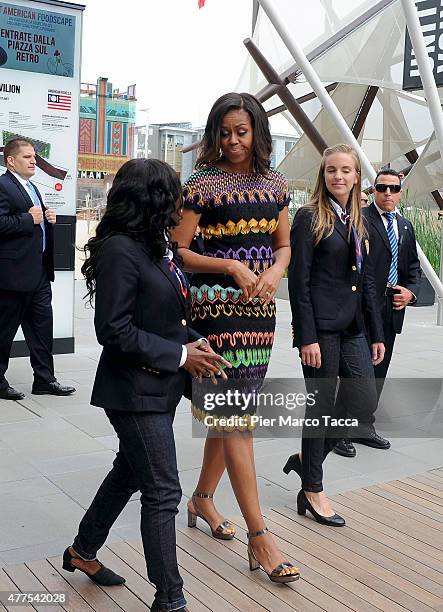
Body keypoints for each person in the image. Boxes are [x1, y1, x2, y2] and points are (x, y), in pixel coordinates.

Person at [63, 158, 229, 612]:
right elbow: (113, 331)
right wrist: (179, 355)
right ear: (151, 197)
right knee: (164, 490)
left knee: (130, 473)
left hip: (159, 388)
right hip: (133, 392)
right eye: (174, 192)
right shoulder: (120, 250)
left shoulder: (155, 246)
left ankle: (82, 551)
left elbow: (166, 316)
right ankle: (170, 598)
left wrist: (196, 342)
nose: (182, 200)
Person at [172, 92, 299, 583]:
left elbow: (284, 245)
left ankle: (203, 499)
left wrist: (275, 273)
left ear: (257, 132)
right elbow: (178, 250)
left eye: (241, 132)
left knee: (229, 417)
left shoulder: (275, 183)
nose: (231, 141)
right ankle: (260, 538)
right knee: (235, 421)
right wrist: (228, 263)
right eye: (223, 132)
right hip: (214, 314)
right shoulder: (202, 184)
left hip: (258, 315)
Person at [285, 144, 385, 525]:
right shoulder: (310, 217)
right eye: (331, 170)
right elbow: (300, 282)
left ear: (357, 176)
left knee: (362, 402)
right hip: (321, 330)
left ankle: (307, 460)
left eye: (346, 170)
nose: (338, 177)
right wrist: (306, 337)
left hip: (355, 328)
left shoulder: (358, 220)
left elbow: (369, 282)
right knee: (321, 407)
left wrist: (376, 333)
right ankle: (313, 489)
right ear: (323, 175)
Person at [334, 168, 421, 457]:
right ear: (373, 191)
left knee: (379, 370)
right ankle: (340, 430)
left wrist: (411, 292)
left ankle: (363, 425)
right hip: (362, 308)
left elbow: (413, 271)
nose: (387, 193)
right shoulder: (361, 221)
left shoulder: (406, 226)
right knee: (357, 371)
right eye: (382, 188)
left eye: (393, 188)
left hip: (392, 309)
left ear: (400, 192)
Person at [0, 137, 75, 400]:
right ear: (10, 161)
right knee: (4, 331)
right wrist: (27, 219)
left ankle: (44, 379)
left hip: (39, 272)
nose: (34, 161)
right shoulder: (3, 185)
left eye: (34, 156)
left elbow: (35, 220)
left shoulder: (31, 186)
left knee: (42, 329)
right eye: (27, 157)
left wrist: (47, 217)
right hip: (12, 275)